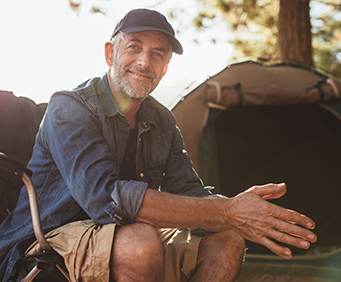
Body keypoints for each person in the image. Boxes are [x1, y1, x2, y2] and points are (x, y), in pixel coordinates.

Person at [0, 8, 317, 282]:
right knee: (139, 240)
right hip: (49, 235)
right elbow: (105, 199)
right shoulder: (69, 107)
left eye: (157, 53)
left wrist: (238, 210)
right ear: (111, 53)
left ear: (165, 68)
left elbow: (189, 191)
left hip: (123, 232)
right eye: (134, 47)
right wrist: (229, 211)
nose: (144, 61)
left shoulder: (161, 119)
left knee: (227, 240)